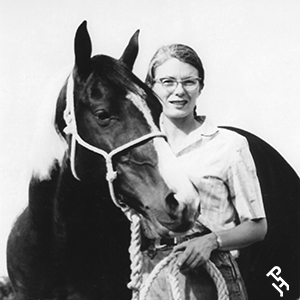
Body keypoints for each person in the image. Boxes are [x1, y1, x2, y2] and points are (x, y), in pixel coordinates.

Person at [140, 44, 267, 300]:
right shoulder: (139, 148)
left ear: (200, 87)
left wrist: (211, 242)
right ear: (151, 87)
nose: (179, 91)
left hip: (213, 276)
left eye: (189, 82)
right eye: (167, 82)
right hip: (151, 275)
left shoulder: (229, 145)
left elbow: (257, 226)